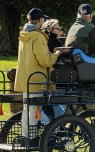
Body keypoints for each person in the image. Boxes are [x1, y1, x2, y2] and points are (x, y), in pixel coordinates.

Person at [14, 8, 61, 143]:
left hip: (26, 79)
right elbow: (45, 60)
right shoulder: (38, 36)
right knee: (35, 110)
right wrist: (56, 55)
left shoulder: (24, 35)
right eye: (43, 19)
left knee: (27, 109)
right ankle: (32, 138)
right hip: (37, 80)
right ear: (40, 20)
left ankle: (25, 136)